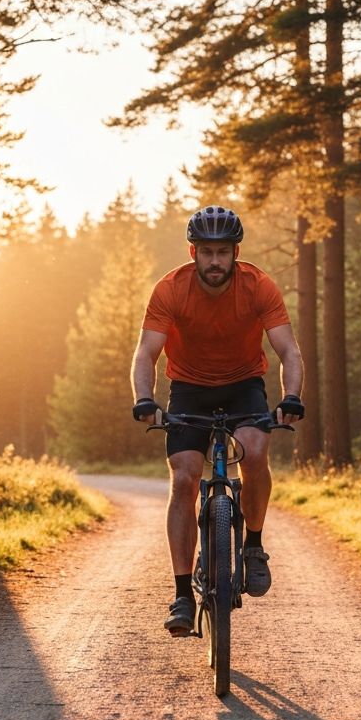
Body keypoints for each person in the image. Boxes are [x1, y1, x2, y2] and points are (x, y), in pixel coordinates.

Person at [130, 205, 305, 636]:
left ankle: (254, 547)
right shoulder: (170, 289)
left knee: (257, 450)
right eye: (206, 251)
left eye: (222, 252)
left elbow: (288, 350)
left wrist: (292, 396)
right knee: (185, 478)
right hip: (188, 388)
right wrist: (145, 398)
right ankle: (182, 595)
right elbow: (146, 352)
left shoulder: (258, 286)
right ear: (193, 252)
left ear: (235, 252)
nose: (214, 261)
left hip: (243, 384)